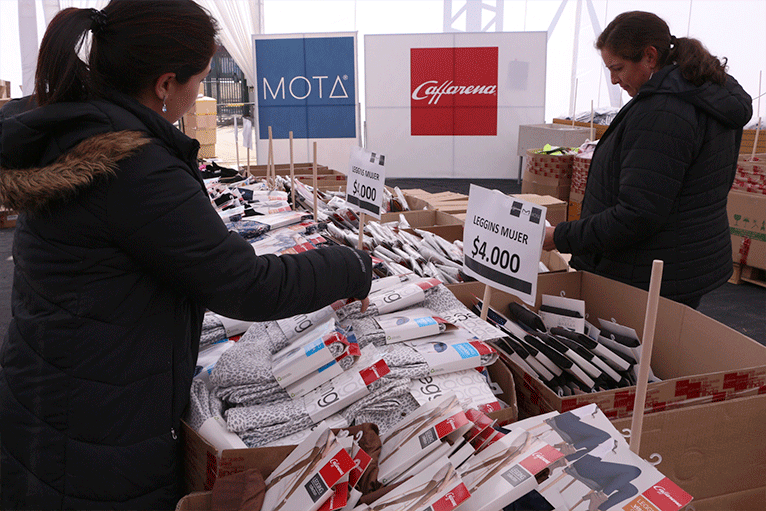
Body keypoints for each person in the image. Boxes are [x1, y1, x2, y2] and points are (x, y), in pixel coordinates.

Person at [0, 1, 372, 509]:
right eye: (198, 80)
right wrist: (349, 266)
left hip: (56, 397)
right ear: (164, 83)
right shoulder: (135, 169)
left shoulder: (71, 127)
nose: (198, 92)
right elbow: (248, 284)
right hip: (97, 436)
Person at [543, 11, 753, 308]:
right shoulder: (703, 92)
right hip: (684, 263)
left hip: (648, 274)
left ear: (650, 57)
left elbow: (638, 214)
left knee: (640, 352)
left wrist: (561, 237)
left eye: (618, 68)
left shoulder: (663, 112)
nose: (614, 80)